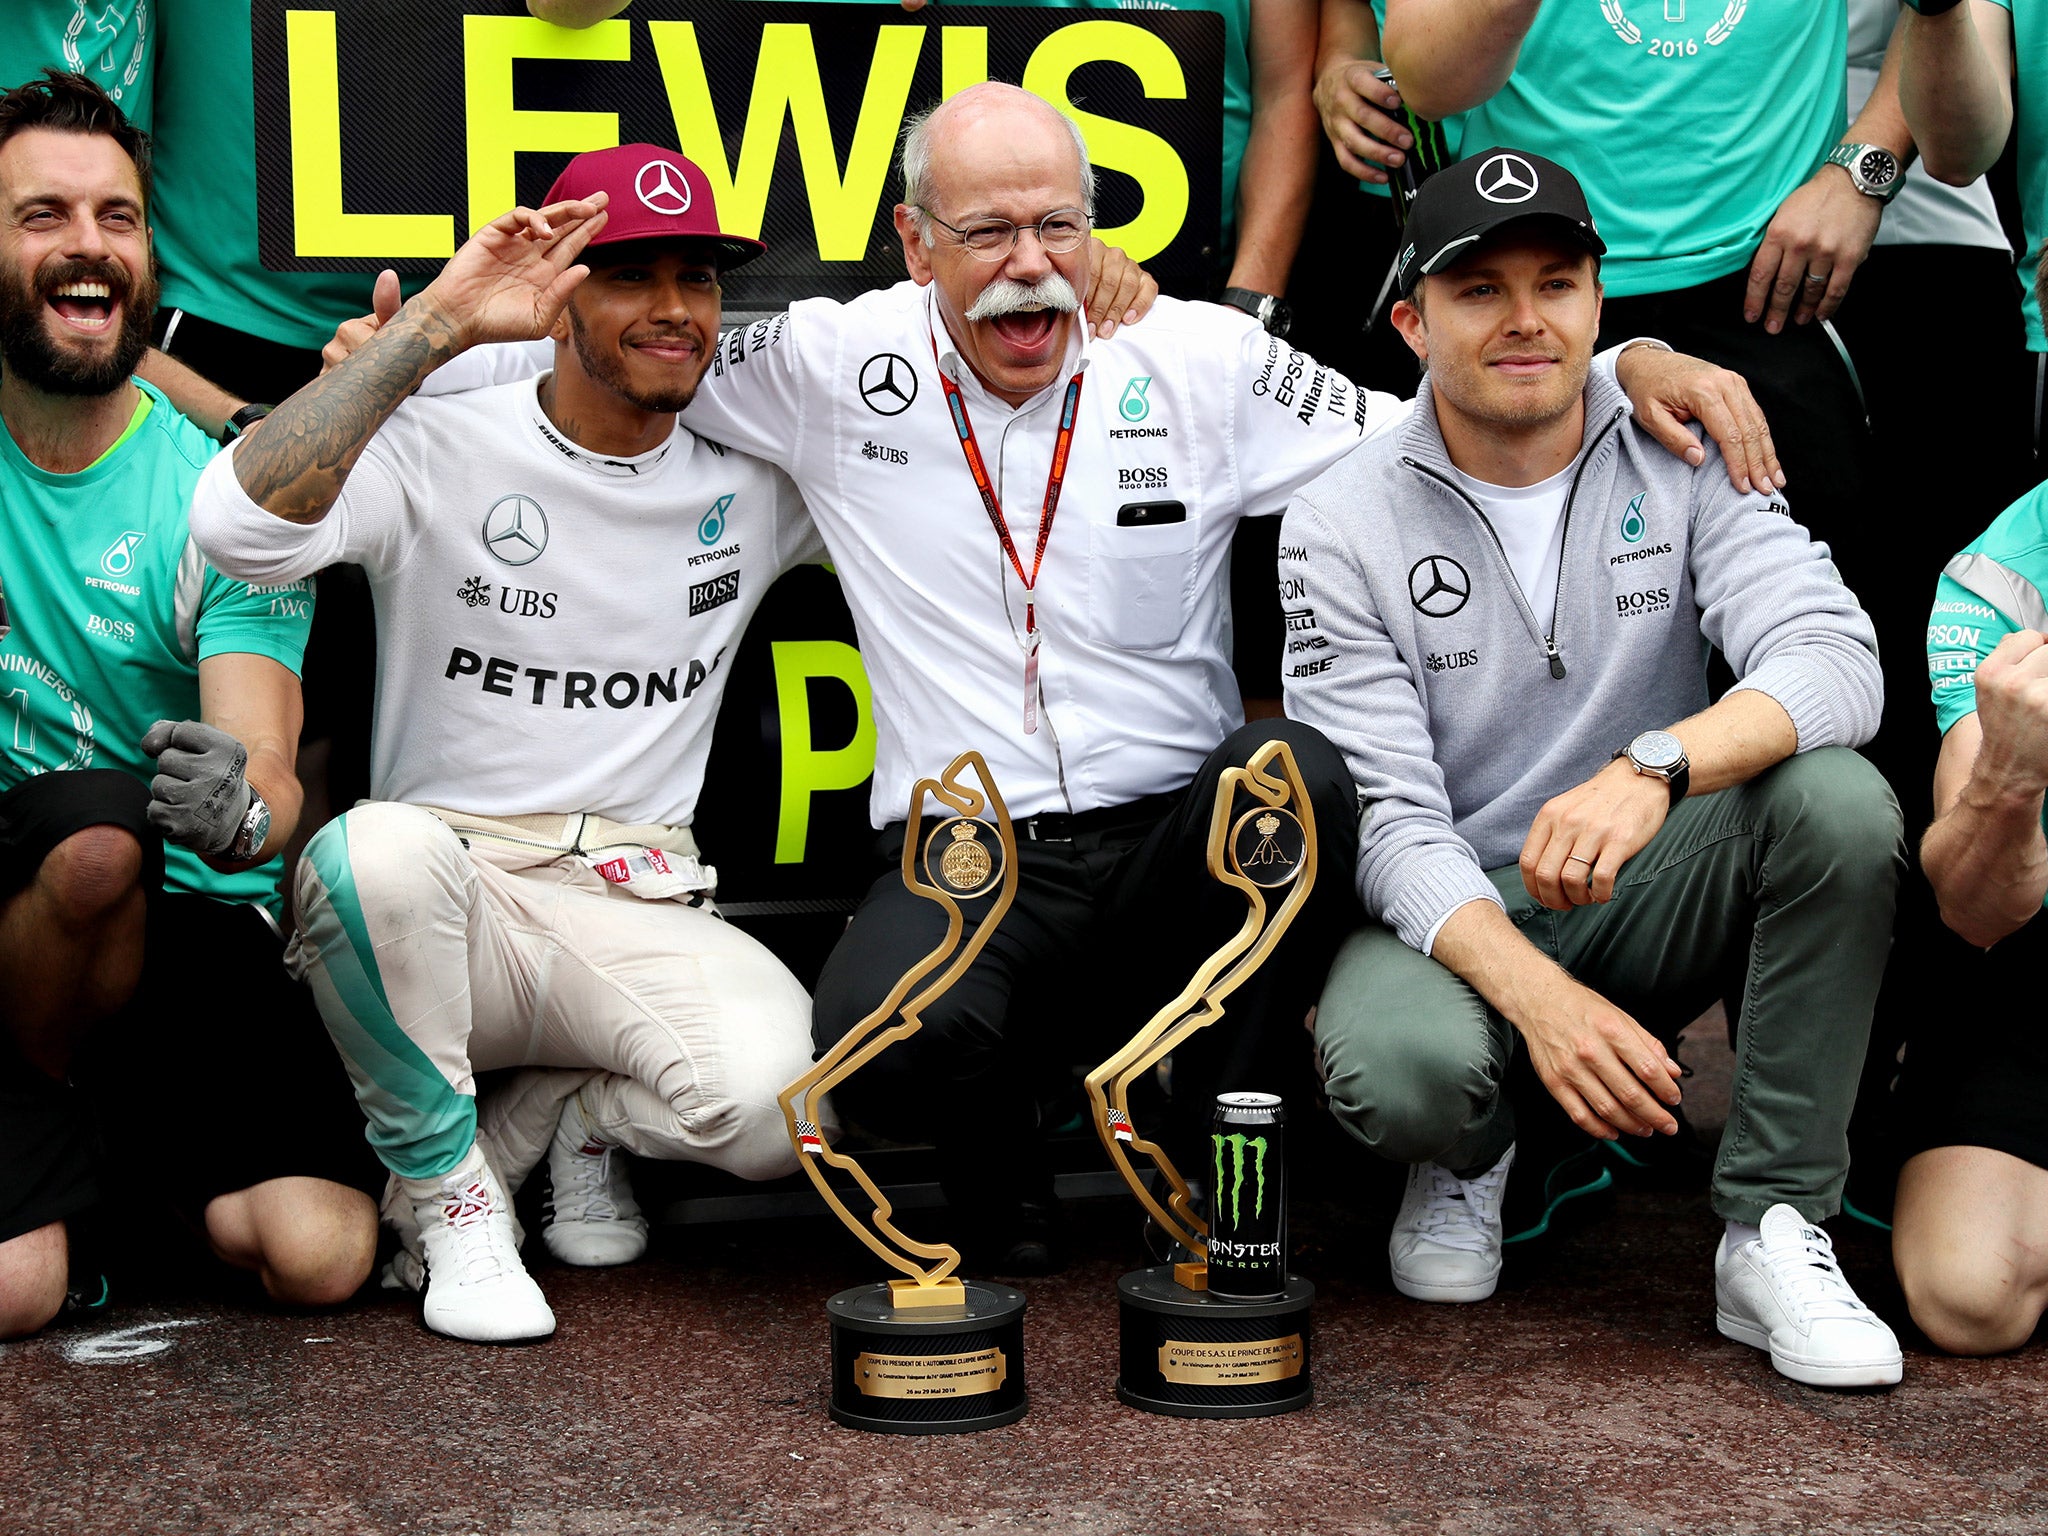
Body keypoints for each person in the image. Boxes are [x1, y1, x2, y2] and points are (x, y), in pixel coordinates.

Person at [384, 81, 1781, 1269]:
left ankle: (1210, 1109)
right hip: (962, 854)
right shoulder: (817, 362)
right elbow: (612, 367)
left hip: (1177, 845)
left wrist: (1636, 357)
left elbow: (1446, 404)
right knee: (869, 1052)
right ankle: (1016, 1146)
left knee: (1293, 776)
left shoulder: (1201, 358)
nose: (1027, 262)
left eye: (1057, 223)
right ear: (913, 242)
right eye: (985, 229)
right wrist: (419, 346)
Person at [187, 147, 869, 1345]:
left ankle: (570, 1127)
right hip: (446, 906)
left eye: (697, 279)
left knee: (787, 1117)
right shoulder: (443, 434)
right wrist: (433, 331)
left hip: (638, 896)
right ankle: (453, 1209)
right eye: (628, 278)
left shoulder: (759, 479)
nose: (672, 310)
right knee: (367, 854)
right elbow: (237, 527)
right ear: (559, 295)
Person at [1280, 151, 1906, 1389]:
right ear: (1409, 321)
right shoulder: (1338, 517)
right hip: (1446, 915)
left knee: (1835, 800)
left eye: (1556, 284)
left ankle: (1772, 1225)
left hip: (1637, 876)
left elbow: (1837, 660)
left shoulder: (1685, 441)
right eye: (1478, 292)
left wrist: (1657, 764)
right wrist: (1542, 1006)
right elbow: (1391, 827)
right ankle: (1480, 1144)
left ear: (1596, 305)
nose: (1525, 321)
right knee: (1404, 1082)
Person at [0, 70, 377, 1340]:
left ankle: (114, 1176)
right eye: (41, 215)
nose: (88, 247)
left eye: (118, 216)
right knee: (93, 842)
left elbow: (270, 776)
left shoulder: (223, 496)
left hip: (184, 928)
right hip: (17, 920)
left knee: (323, 1255)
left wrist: (241, 814)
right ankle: (54, 1142)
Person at [1895, 432, 2048, 1356]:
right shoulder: (2002, 577)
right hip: (2033, 968)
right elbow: (1979, 911)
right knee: (1966, 1294)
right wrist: (2014, 779)